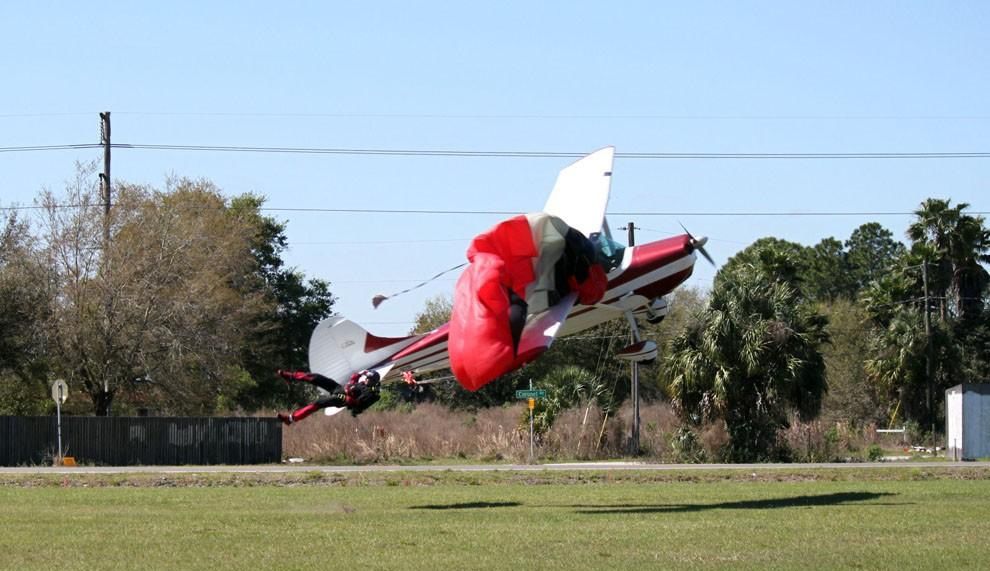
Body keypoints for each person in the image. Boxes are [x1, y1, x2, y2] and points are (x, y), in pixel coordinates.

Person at [276, 369, 381, 425]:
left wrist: (348, 393)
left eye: (369, 379)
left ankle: (290, 419)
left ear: (373, 382)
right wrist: (356, 377)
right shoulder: (364, 383)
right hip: (339, 388)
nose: (366, 379)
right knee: (316, 377)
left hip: (342, 398)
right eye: (367, 378)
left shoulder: (370, 393)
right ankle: (290, 376)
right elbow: (352, 384)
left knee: (318, 403)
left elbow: (356, 404)